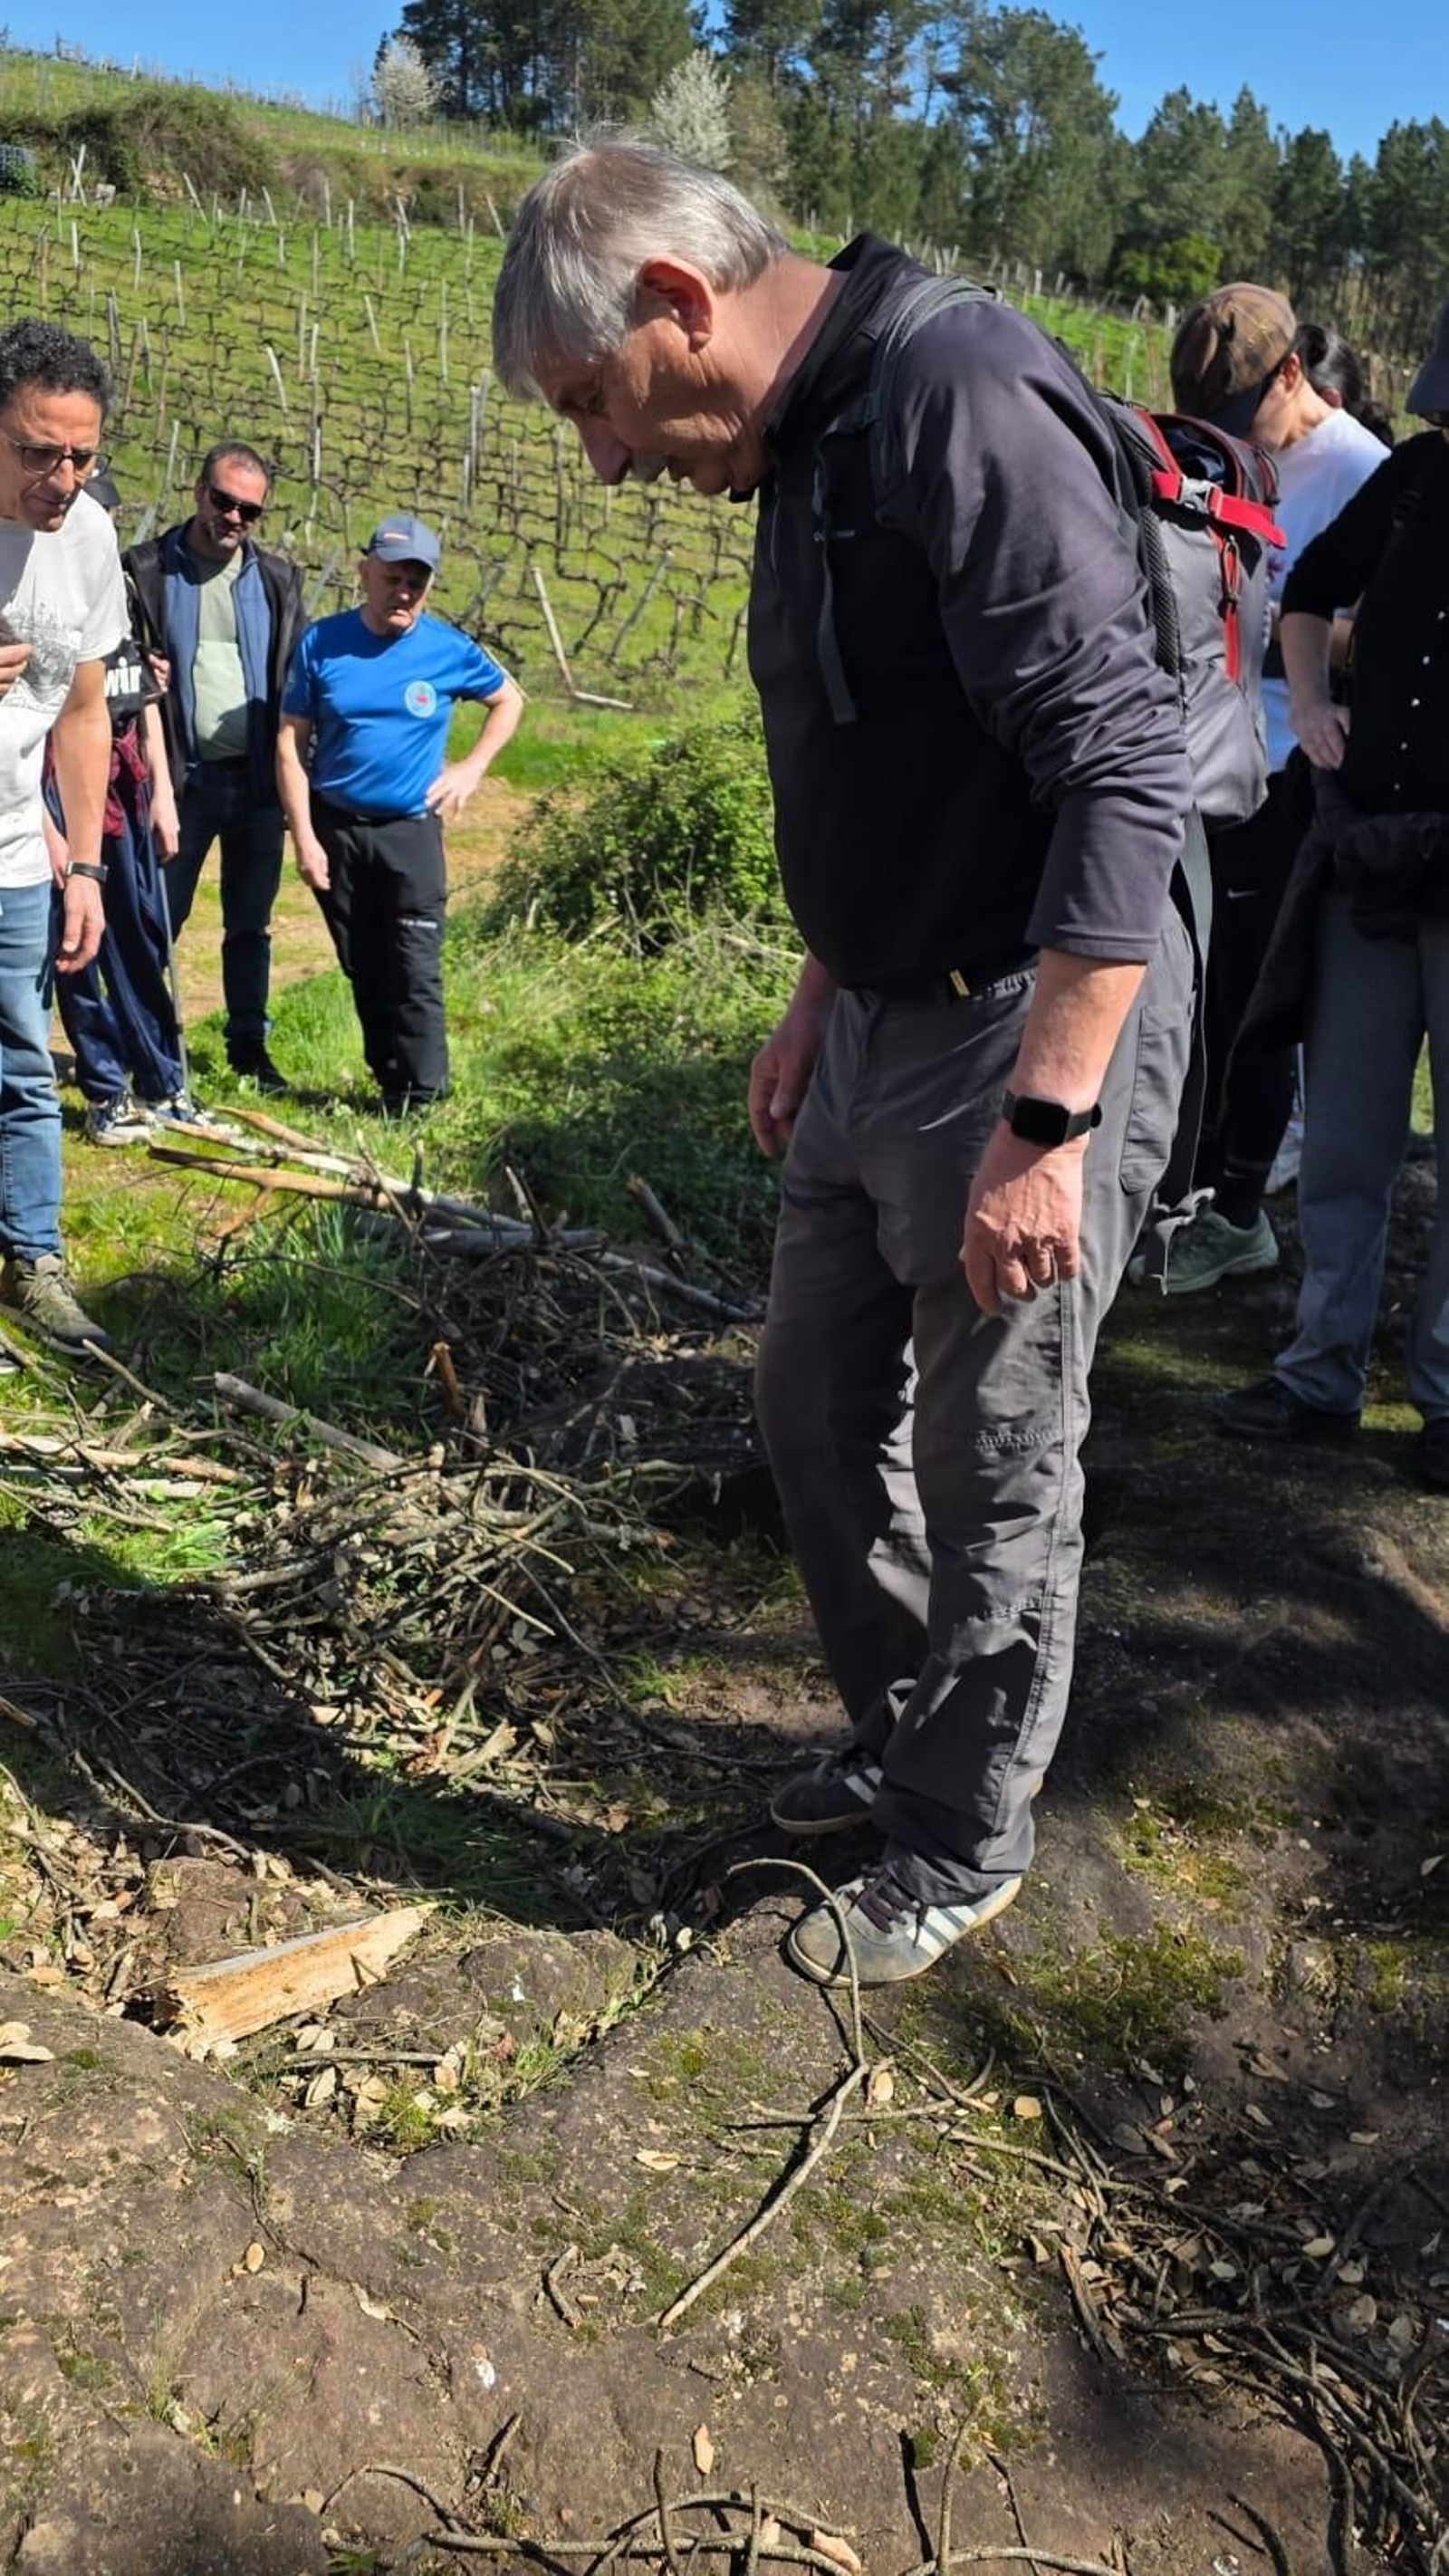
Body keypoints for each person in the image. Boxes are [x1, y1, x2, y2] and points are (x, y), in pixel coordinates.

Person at [493, 140, 1194, 1987]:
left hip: (1022, 1017)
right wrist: (814, 993)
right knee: (809, 1403)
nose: (606, 460)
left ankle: (963, 1837)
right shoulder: (806, 454)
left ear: (674, 304)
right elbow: (884, 760)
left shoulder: (952, 395)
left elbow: (1117, 772)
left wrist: (1047, 1123)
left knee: (991, 1454)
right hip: (878, 1007)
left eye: (594, 407)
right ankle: (903, 1742)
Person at [1217, 299, 1449, 1493]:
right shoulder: (1414, 476)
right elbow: (1306, 589)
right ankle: (1319, 1376)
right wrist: (1309, 707)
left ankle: (1448, 1401)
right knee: (1351, 1136)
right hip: (1366, 851)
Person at [1159, 290, 1388, 1293]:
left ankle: (1233, 1204)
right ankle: (1176, 1185)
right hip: (1193, 757)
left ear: (1291, 375)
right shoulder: (1215, 452)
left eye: (1239, 411)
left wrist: (1269, 617)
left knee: (1253, 1000)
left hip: (1290, 766)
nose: (1224, 436)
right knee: (1185, 988)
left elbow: (1381, 631)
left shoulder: (1360, 474)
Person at [275, 515, 523, 1113]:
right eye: (393, 578)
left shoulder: (446, 649)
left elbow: (509, 698)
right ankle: (391, 1086)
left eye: (417, 581)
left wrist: (471, 768)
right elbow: (288, 741)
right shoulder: (323, 643)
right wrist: (305, 837)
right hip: (336, 828)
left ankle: (426, 1095)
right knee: (364, 962)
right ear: (366, 574)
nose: (404, 592)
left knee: (414, 965)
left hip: (410, 831)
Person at [0, 319, 124, 1356]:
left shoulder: (88, 538)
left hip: (16, 860)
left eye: (80, 453)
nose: (63, 476)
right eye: (38, 451)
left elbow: (85, 712)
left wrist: (84, 863)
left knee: (24, 1064)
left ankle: (33, 1260)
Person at [124, 440, 302, 1092]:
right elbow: (115, 664)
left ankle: (248, 1048)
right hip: (180, 779)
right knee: (157, 917)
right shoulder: (145, 570)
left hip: (256, 782)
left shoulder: (278, 580)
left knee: (250, 922)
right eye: (224, 502)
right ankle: (141, 1039)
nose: (233, 518)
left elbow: (294, 680)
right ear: (199, 491)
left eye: (248, 511)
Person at [43, 469, 211, 1143]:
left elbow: (144, 701)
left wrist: (164, 796)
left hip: (127, 787)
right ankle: (105, 1088)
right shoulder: (43, 592)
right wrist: (50, 827)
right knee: (80, 944)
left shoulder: (125, 587)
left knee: (140, 932)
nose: (98, 525)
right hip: (63, 786)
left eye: (107, 514)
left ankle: (162, 1078)